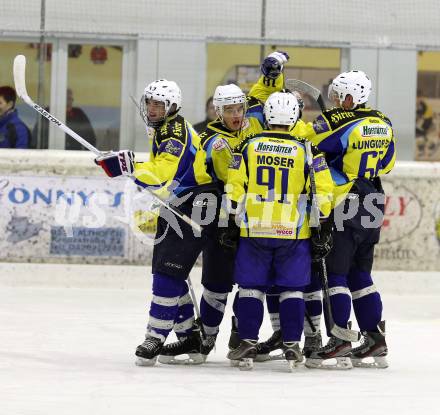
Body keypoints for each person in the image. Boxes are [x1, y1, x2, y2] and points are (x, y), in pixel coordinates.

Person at [157, 51, 297, 364]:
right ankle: (205, 340)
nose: (236, 114)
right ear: (217, 111)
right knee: (217, 284)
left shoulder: (253, 125)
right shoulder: (209, 138)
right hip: (221, 219)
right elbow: (192, 174)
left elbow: (265, 96)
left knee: (255, 282)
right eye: (229, 110)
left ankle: (244, 336)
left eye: (239, 108)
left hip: (254, 220)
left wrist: (272, 72)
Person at [95, 79, 218, 366]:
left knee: (167, 275)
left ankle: (155, 337)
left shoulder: (174, 130)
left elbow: (163, 171)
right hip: (179, 203)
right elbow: (163, 168)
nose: (152, 108)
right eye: (149, 102)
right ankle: (189, 337)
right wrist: (129, 164)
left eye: (158, 104)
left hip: (194, 204)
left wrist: (129, 167)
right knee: (169, 273)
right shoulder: (165, 127)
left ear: (172, 106)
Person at [226, 91, 333, 370]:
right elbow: (322, 188)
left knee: (250, 289)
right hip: (293, 232)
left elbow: (234, 185)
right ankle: (292, 345)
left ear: (267, 116)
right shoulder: (308, 148)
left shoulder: (248, 145)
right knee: (292, 290)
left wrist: (232, 214)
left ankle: (248, 341)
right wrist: (322, 218)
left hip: (255, 229)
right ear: (295, 117)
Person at [303, 70, 396, 370]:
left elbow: (308, 143)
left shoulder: (333, 122)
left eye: (337, 95)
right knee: (360, 275)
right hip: (373, 198)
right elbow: (389, 163)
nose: (334, 100)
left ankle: (340, 337)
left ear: (349, 97)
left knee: (336, 272)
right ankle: (374, 337)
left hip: (346, 199)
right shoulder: (384, 122)